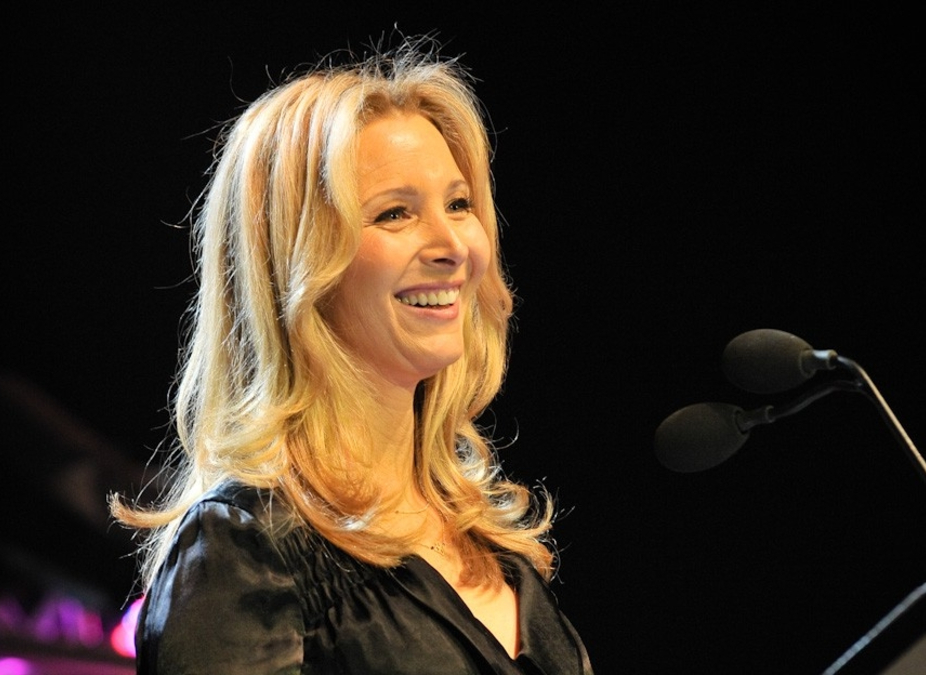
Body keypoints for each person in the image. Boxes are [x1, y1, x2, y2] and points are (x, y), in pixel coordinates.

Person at [109, 35, 594, 674]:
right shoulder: (248, 548)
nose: (453, 244)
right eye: (395, 213)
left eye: (459, 204)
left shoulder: (489, 547)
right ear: (296, 264)